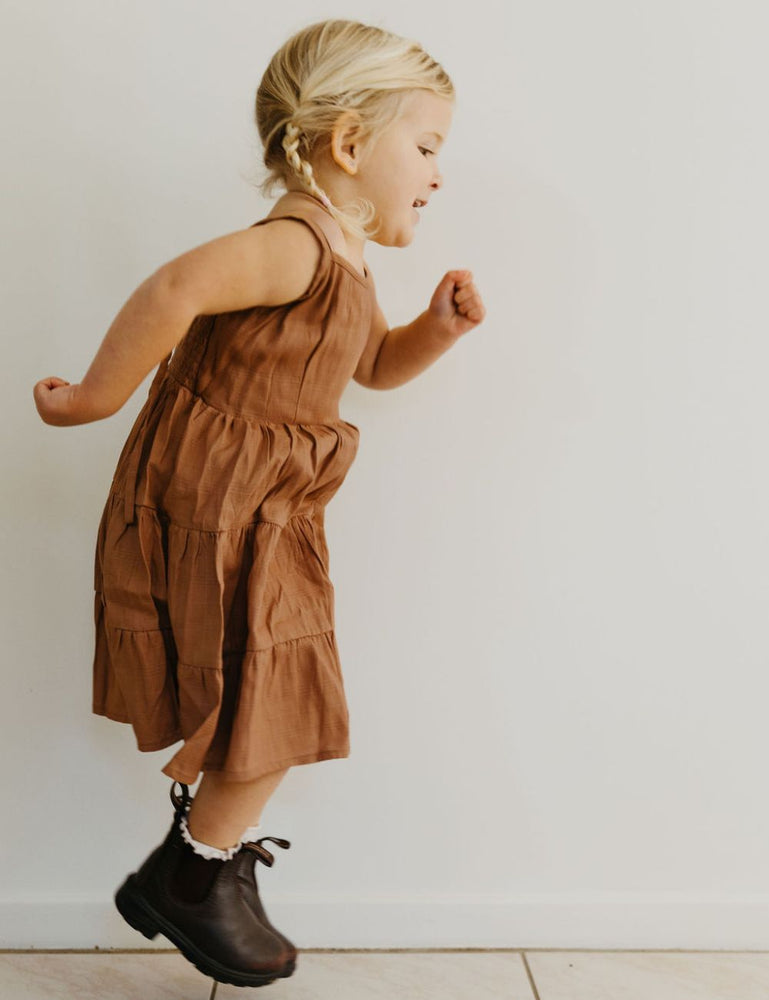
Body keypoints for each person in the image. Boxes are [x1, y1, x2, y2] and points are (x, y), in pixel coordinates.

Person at [32, 17, 486, 990]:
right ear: (349, 144)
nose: (439, 172)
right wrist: (94, 398)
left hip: (274, 508)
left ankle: (192, 867)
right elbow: (177, 286)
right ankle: (193, 871)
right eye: (428, 146)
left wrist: (434, 332)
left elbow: (368, 367)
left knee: (271, 688)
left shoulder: (350, 269)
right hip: (220, 501)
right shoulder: (294, 247)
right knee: (278, 688)